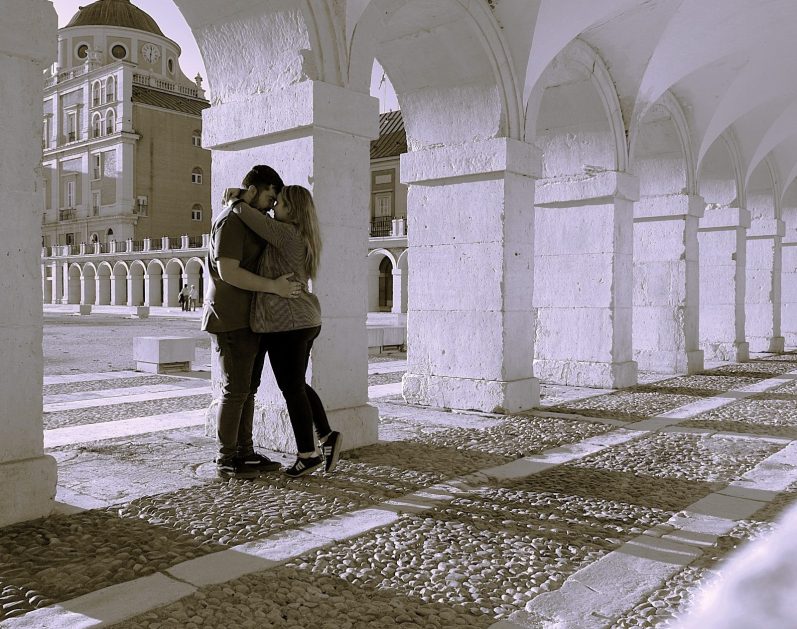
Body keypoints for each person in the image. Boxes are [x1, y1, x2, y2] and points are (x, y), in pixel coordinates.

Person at [228, 184, 342, 478]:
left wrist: (238, 198)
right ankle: (326, 436)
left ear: (291, 210)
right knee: (297, 385)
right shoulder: (300, 234)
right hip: (304, 320)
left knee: (292, 388)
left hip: (288, 323)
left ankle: (307, 455)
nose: (273, 206)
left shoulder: (286, 233)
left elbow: (244, 213)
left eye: (278, 202)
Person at [202, 165, 302, 480]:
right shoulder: (231, 222)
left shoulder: (246, 217)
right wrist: (274, 287)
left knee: (247, 390)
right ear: (255, 190)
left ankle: (244, 452)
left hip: (249, 320)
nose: (272, 207)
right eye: (270, 199)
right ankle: (226, 458)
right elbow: (228, 271)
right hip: (229, 318)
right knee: (235, 390)